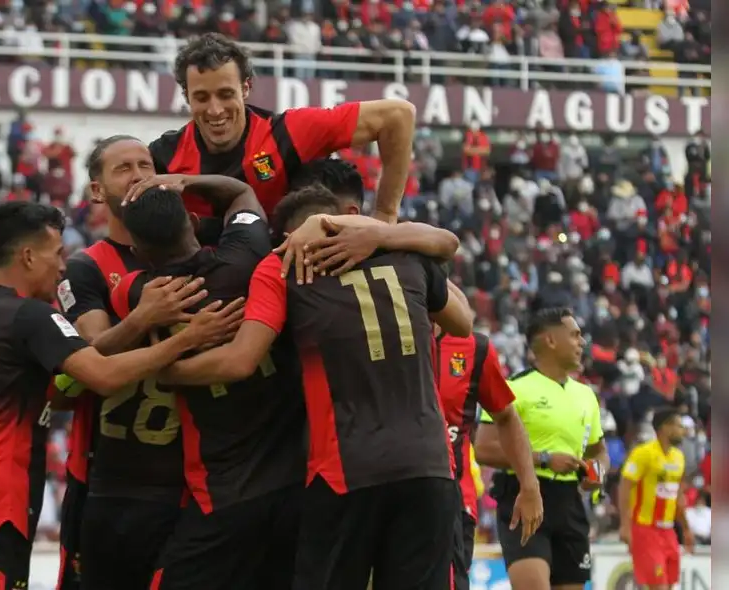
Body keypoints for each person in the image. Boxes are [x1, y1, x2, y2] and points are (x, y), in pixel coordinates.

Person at [154, 184, 473, 590]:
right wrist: (387, 235)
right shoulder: (405, 253)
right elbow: (463, 322)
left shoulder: (283, 266)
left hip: (345, 472)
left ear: (290, 237)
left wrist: (168, 371)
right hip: (429, 465)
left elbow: (240, 360)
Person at [0, 201, 244, 590]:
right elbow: (104, 376)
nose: (62, 267)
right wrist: (188, 339)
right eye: (57, 253)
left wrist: (133, 327)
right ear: (28, 256)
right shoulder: (32, 316)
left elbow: (60, 388)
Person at [57, 135, 259, 590]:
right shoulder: (87, 266)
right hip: (116, 474)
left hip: (194, 480)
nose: (138, 176)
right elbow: (87, 360)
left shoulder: (199, 238)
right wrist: (142, 319)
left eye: (145, 165)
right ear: (96, 191)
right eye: (123, 169)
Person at [145, 32, 416, 229]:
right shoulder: (163, 156)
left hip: (284, 271)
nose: (215, 110)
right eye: (202, 98)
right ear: (186, 96)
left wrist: (385, 217)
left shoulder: (288, 133)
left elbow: (398, 115)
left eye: (226, 95)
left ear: (246, 88)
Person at [474, 307, 609, 590]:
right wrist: (544, 459)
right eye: (575, 335)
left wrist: (596, 473)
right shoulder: (514, 388)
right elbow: (483, 449)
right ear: (550, 340)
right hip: (524, 494)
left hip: (570, 502)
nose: (582, 342)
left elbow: (598, 451)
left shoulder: (586, 395)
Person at [434, 326, 543, 590]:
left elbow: (506, 417)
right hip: (387, 494)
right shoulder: (382, 336)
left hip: (455, 499)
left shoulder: (474, 348)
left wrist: (529, 484)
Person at [618, 407, 694, 590]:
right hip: (645, 529)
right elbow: (625, 487)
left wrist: (686, 529)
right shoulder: (643, 453)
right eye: (678, 426)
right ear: (664, 427)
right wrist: (625, 525)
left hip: (668, 531)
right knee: (658, 586)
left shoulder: (678, 457)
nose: (682, 430)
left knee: (668, 586)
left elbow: (678, 496)